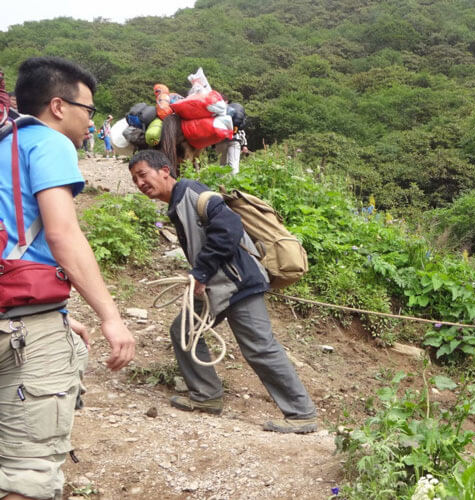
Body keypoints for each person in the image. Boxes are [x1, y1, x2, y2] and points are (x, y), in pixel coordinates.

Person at [0, 56, 136, 500]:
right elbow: (61, 233)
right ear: (58, 106)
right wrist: (109, 316)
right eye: (89, 110)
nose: (88, 122)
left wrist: (53, 314)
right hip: (22, 329)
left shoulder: (3, 145)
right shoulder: (48, 142)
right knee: (28, 474)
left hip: (19, 310)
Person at [128, 149, 318, 434]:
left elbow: (229, 227)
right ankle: (206, 396)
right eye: (134, 180)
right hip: (216, 287)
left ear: (165, 170)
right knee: (184, 330)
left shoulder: (193, 193)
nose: (140, 183)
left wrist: (201, 272)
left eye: (143, 175)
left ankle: (302, 413)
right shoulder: (177, 203)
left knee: (259, 347)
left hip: (238, 282)